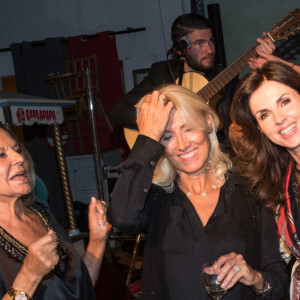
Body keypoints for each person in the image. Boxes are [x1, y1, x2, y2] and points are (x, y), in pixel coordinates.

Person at [107, 84, 288, 299]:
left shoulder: (249, 190)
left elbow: (278, 282)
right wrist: (147, 137)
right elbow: (121, 217)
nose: (182, 144)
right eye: (167, 137)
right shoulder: (155, 198)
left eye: (188, 128)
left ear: (208, 122)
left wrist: (255, 278)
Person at [108, 13, 275, 144]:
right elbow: (118, 111)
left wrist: (267, 70)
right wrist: (160, 122)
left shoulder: (226, 79)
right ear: (181, 49)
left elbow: (260, 110)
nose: (209, 49)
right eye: (200, 43)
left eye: (211, 41)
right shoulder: (162, 73)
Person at [0, 124, 111, 299]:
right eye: (1, 155)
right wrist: (29, 276)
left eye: (17, 150)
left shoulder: (42, 214)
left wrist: (98, 239)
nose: (18, 158)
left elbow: (78, 289)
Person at [229, 61, 300, 299]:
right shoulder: (279, 185)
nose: (280, 119)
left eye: (285, 101)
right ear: (259, 128)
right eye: (265, 114)